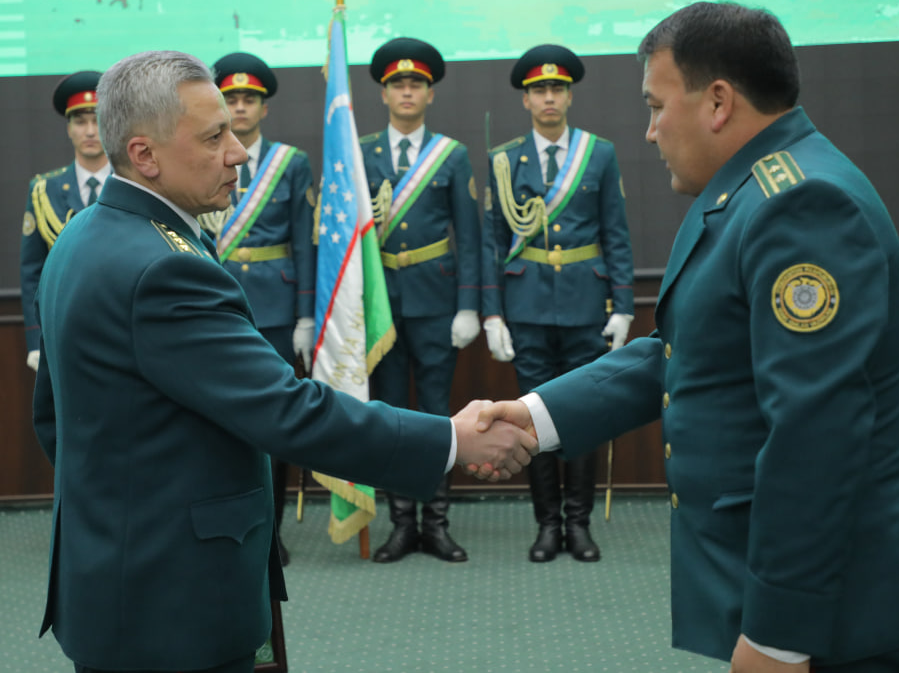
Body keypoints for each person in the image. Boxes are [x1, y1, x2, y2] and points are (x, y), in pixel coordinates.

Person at [474, 2, 899, 672]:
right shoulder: (746, 194)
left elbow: (816, 433)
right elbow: (681, 352)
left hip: (850, 614)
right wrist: (538, 417)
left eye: (657, 106)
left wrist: (777, 634)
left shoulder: (800, 205)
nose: (650, 131)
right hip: (817, 596)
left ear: (717, 102)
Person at [31, 50, 537, 673]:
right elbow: (288, 412)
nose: (238, 153)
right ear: (145, 155)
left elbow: (54, 421)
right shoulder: (164, 267)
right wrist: (451, 440)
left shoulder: (83, 235)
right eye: (214, 137)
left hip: (113, 579)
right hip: (172, 601)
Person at [480, 44, 635, 563]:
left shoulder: (599, 153)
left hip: (586, 304)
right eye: (539, 90)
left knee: (583, 415)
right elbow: (492, 242)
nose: (549, 97)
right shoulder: (505, 160)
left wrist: (623, 306)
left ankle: (579, 524)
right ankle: (547, 524)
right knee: (532, 417)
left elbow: (616, 233)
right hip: (525, 306)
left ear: (569, 97)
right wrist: (493, 313)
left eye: (557, 89)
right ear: (525, 100)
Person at [359, 37, 482, 563]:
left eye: (416, 84)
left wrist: (469, 305)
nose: (406, 92)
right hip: (381, 304)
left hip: (436, 301)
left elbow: (470, 236)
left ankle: (436, 524)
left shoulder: (451, 155)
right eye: (397, 84)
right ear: (384, 94)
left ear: (430, 94)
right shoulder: (360, 153)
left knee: (435, 416)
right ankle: (401, 524)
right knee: (389, 416)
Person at [205, 51, 315, 566]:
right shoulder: (200, 158)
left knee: (274, 420)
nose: (241, 107)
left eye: (250, 99)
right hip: (215, 302)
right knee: (219, 422)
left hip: (276, 308)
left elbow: (305, 243)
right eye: (231, 98)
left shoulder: (291, 163)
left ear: (264, 107)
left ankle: (271, 532)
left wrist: (306, 315)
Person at [19, 70, 111, 372]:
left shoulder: (133, 184)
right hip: (66, 330)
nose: (90, 131)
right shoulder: (44, 190)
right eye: (80, 121)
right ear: (69, 128)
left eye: (97, 120)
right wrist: (35, 339)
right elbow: (33, 272)